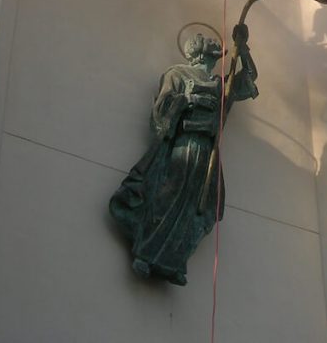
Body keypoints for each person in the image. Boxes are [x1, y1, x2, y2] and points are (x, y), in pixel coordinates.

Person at [108, 26, 258, 286]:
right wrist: (188, 100)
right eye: (210, 44)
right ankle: (146, 252)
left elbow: (249, 78)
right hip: (183, 145)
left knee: (202, 206)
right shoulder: (177, 74)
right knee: (169, 196)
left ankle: (175, 260)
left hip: (207, 150)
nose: (215, 46)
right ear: (198, 52)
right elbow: (162, 109)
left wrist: (243, 48)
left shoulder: (221, 84)